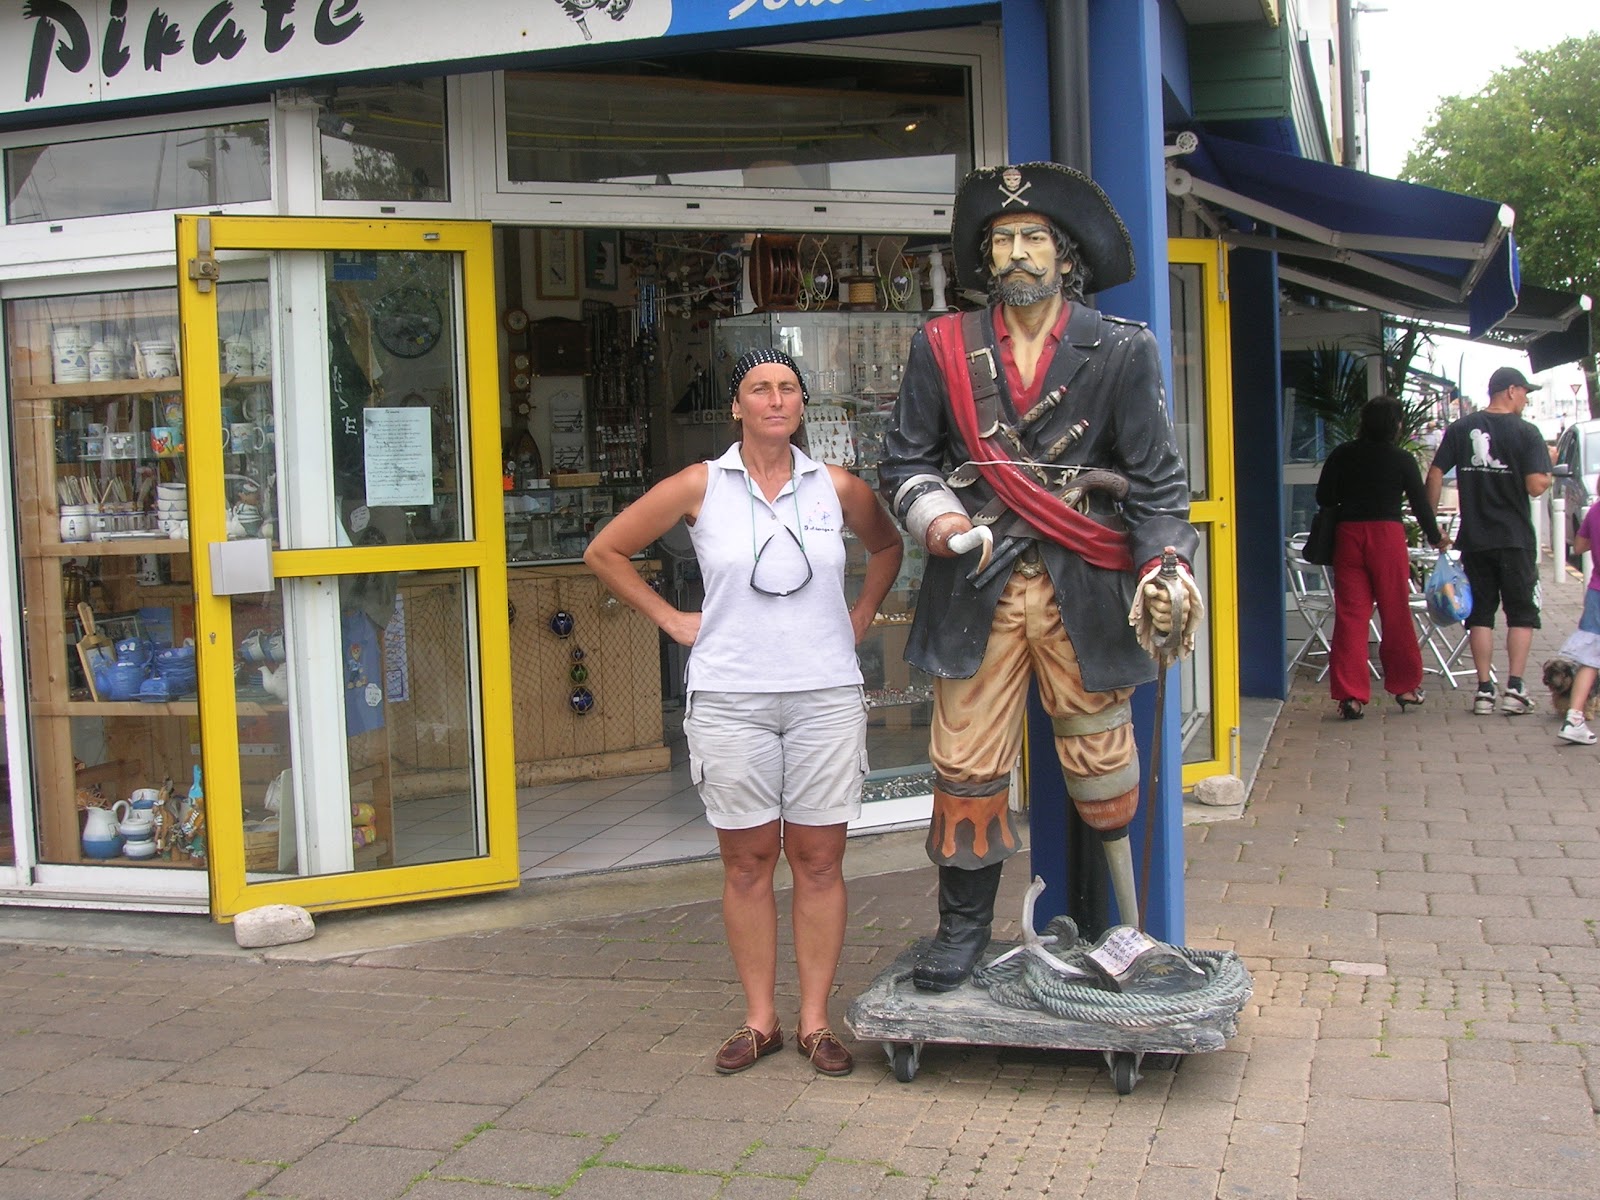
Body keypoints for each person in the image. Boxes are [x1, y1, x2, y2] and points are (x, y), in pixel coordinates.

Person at [877, 162, 1203, 993]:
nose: (1017, 253)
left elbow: (1160, 486)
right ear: (985, 257)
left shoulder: (1121, 348)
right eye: (1002, 240)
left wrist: (1167, 566)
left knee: (1103, 762)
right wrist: (940, 521)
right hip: (975, 584)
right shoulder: (941, 346)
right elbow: (906, 461)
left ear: (1065, 254)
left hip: (1082, 589)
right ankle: (961, 934)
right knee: (965, 765)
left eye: (1033, 238)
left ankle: (1127, 930)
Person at [584, 348, 903, 1077]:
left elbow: (887, 545)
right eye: (760, 389)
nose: (775, 399)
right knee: (748, 862)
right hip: (731, 698)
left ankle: (815, 1022)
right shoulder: (701, 485)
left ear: (802, 404)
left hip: (824, 694)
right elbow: (606, 550)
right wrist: (671, 619)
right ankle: (761, 1020)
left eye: (788, 388)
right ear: (737, 406)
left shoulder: (836, 487)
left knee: (819, 861)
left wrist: (861, 613)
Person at [1425, 366, 1553, 715]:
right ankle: (1515, 689)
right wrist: (1549, 473)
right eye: (1524, 392)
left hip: (1475, 539)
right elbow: (1535, 486)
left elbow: (1435, 473)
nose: (1526, 399)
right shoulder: (1527, 432)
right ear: (1511, 390)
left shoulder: (1461, 428)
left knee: (1480, 614)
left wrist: (1432, 526)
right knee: (1521, 614)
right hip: (1514, 539)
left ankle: (1483, 691)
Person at [1315, 397, 1447, 720]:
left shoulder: (1342, 454)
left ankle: (1351, 695)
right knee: (1395, 611)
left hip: (1349, 536)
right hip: (1387, 536)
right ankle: (1405, 687)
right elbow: (1420, 505)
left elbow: (1324, 496)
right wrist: (1436, 537)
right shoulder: (1401, 459)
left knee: (1351, 615)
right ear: (1395, 425)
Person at [1555, 497, 1600, 745]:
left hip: (1597, 594)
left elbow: (1580, 546)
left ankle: (1573, 719)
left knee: (1590, 659)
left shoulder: (1595, 510)